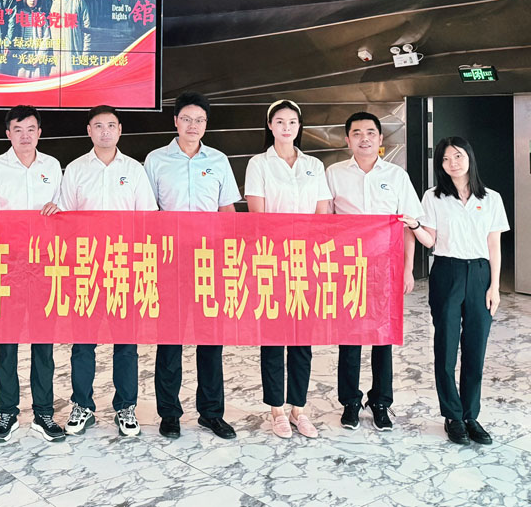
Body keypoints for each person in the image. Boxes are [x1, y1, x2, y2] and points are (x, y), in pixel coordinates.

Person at [144, 92, 239, 441]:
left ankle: (211, 413)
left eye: (199, 120)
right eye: (186, 119)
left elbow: (227, 211)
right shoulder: (156, 160)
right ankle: (169, 413)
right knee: (169, 340)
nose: (192, 125)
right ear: (175, 122)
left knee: (210, 341)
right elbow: (147, 211)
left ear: (206, 124)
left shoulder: (219, 160)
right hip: (169, 260)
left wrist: (230, 256)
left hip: (209, 262)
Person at [61, 105, 157, 438]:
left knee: (126, 344)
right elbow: (65, 221)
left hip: (123, 267)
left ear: (120, 130)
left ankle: (125, 407)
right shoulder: (75, 169)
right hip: (85, 266)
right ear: (89, 130)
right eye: (98, 125)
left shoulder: (134, 170)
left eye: (111, 125)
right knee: (83, 344)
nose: (105, 131)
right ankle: (82, 405)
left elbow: (147, 220)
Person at [0, 105, 66, 444]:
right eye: (18, 129)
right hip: (8, 265)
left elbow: (64, 212)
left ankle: (43, 413)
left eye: (30, 129)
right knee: (7, 343)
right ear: (8, 134)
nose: (25, 136)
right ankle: (7, 413)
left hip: (45, 264)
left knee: (44, 344)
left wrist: (59, 210)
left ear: (39, 132)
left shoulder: (52, 166)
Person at [326, 112, 424, 432]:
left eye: (371, 132)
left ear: (381, 139)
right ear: (347, 140)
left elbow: (408, 226)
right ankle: (350, 402)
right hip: (347, 267)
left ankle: (381, 402)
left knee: (383, 337)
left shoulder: (396, 176)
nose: (364, 138)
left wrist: (408, 269)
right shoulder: (334, 174)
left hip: (386, 267)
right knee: (349, 337)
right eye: (357, 133)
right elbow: (324, 224)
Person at [244, 99, 331, 439]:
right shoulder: (259, 164)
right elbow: (257, 216)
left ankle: (299, 409)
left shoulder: (313, 165)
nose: (286, 127)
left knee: (301, 340)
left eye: (292, 121)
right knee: (273, 338)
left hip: (306, 261)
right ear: (270, 125)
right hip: (271, 260)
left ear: (299, 126)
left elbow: (323, 213)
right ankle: (276, 410)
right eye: (279, 121)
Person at [415, 136, 508, 446]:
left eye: (457, 156)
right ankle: (452, 416)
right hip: (447, 271)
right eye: (445, 158)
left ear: (469, 157)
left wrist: (495, 286)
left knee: (475, 347)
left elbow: (494, 245)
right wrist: (414, 226)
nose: (452, 163)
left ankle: (471, 415)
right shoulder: (433, 197)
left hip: (480, 273)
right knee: (445, 345)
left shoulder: (491, 198)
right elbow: (430, 240)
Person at [48, 0, 90, 74]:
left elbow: (87, 30)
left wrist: (85, 54)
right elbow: (44, 31)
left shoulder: (78, 0)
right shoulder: (49, 0)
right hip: (55, 55)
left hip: (74, 53)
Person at [14, 0, 52, 79]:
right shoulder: (19, 14)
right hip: (22, 58)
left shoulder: (41, 16)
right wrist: (25, 56)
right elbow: (16, 36)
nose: (32, 0)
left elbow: (46, 38)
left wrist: (39, 57)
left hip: (38, 58)